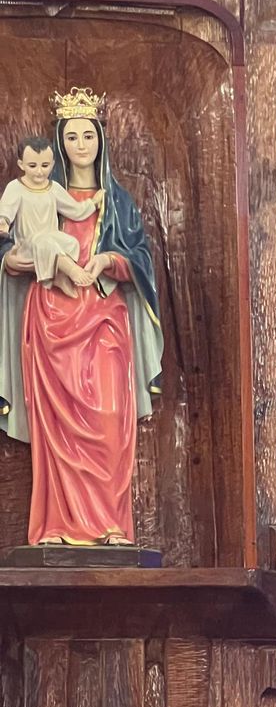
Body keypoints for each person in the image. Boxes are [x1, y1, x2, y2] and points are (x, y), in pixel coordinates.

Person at [0, 87, 163, 546]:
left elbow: (142, 264)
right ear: (58, 144)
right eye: (70, 136)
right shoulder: (40, 194)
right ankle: (55, 525)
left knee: (111, 413)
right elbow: (9, 255)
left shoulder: (117, 203)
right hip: (49, 321)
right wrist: (18, 260)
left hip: (104, 316)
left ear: (100, 140)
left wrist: (107, 262)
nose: (80, 145)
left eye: (87, 135)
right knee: (54, 430)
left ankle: (112, 525)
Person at [0, 135, 104, 295]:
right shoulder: (15, 188)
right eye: (33, 166)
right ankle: (72, 271)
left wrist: (93, 202)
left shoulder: (53, 188)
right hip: (28, 247)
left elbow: (75, 211)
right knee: (43, 242)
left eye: (45, 165)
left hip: (51, 241)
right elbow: (4, 213)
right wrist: (3, 223)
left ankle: (57, 276)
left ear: (53, 164)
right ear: (21, 165)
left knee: (71, 243)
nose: (40, 171)